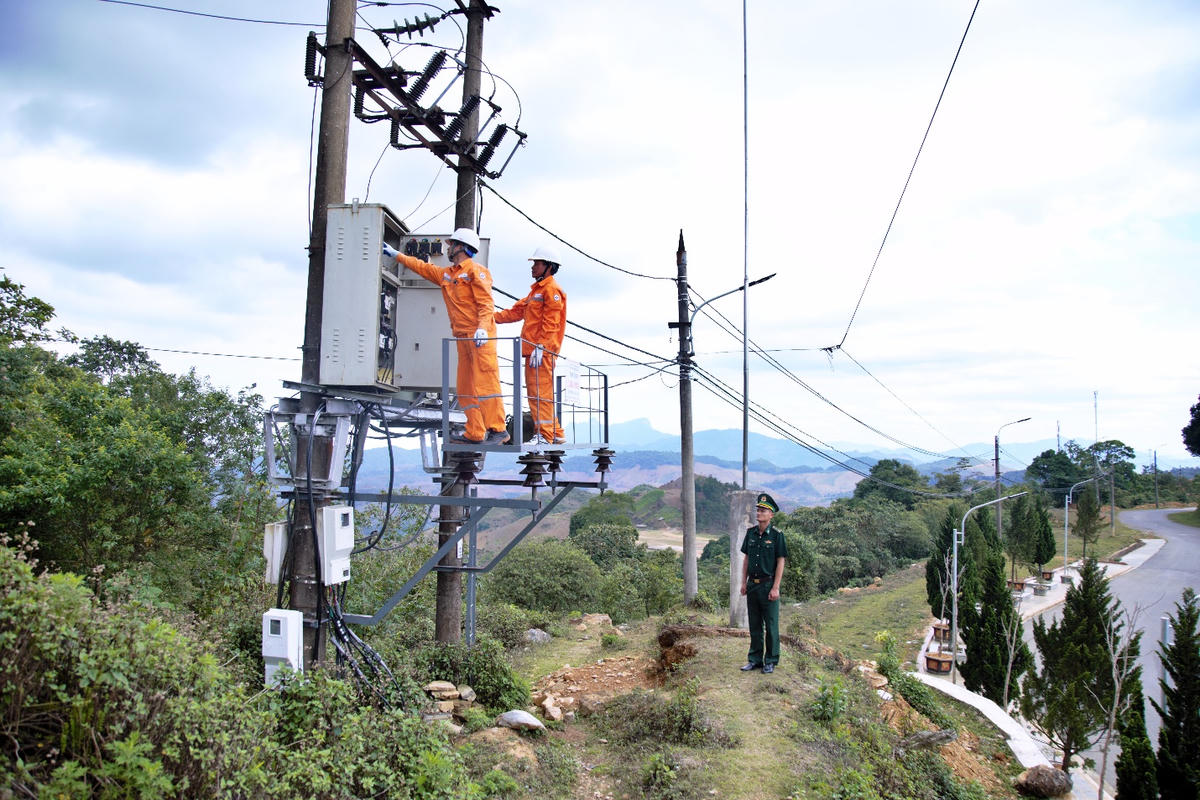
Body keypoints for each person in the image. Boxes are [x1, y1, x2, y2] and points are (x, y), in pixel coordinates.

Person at [383, 228, 509, 445]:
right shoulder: (448, 274)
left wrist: (481, 327)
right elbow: (423, 268)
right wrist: (397, 255)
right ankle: (475, 432)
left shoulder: (476, 271)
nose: (448, 248)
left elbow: (486, 303)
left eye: (452, 245)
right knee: (465, 387)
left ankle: (498, 429)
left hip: (479, 337)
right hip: (463, 338)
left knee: (486, 383)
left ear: (461, 247)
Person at [493, 245, 567, 445]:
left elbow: (552, 323)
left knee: (539, 394)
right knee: (537, 394)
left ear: (549, 266)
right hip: (534, 351)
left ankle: (545, 435)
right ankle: (555, 433)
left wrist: (541, 347)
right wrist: (490, 319)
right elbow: (516, 312)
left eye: (537, 263)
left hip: (541, 351)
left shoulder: (552, 291)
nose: (533, 267)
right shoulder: (536, 292)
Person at [739, 492, 788, 673]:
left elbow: (780, 561)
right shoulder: (750, 533)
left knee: (771, 625)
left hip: (768, 585)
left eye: (763, 510)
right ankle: (755, 659)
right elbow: (746, 560)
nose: (758, 513)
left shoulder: (776, 536)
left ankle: (771, 660)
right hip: (753, 584)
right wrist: (743, 583)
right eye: (758, 510)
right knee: (755, 624)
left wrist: (776, 587)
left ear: (771, 515)